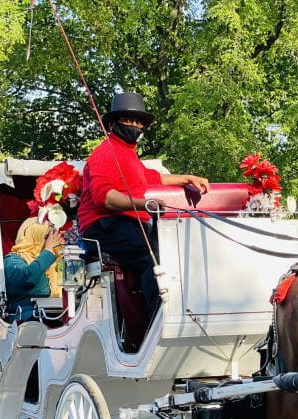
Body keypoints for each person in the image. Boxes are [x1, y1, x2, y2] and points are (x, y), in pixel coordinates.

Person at [79, 92, 210, 320]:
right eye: (129, 121)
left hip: (128, 223)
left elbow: (151, 177)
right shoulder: (105, 153)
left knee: (175, 251)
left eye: (140, 122)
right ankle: (159, 321)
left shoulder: (129, 156)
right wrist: (144, 203)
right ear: (113, 124)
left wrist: (188, 178)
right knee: (155, 257)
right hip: (103, 225)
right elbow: (105, 197)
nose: (136, 126)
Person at [4, 218, 62, 323]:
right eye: (47, 237)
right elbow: (27, 279)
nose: (52, 241)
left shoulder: (56, 260)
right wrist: (48, 251)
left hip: (58, 310)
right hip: (28, 313)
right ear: (35, 237)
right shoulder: (12, 260)